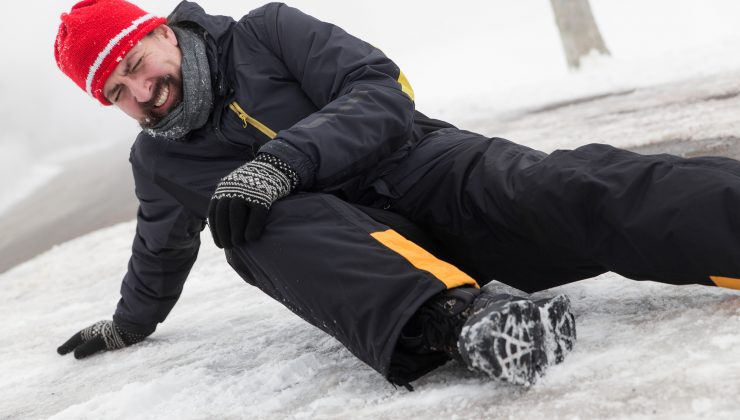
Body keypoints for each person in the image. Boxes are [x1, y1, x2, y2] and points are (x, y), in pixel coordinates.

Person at [53, 0, 740, 389]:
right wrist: (127, 324)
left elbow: (381, 92)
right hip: (370, 272)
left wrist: (284, 159)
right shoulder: (160, 161)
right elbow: (159, 247)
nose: (143, 93)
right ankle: (467, 325)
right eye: (117, 92)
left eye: (137, 66)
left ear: (160, 32)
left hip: (433, 172)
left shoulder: (267, 32)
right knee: (245, 225)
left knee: (578, 186)